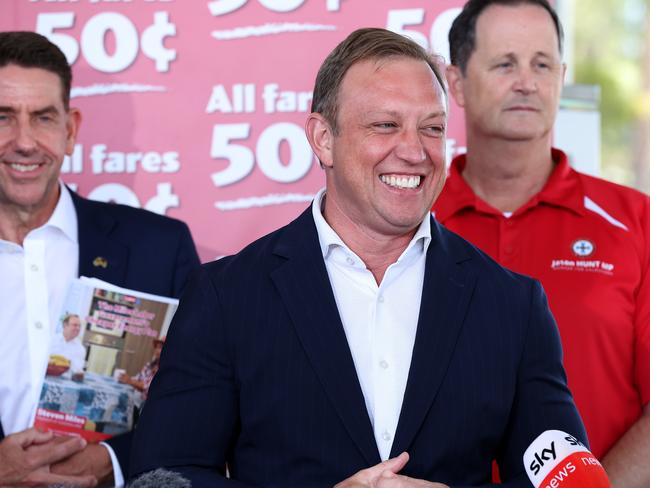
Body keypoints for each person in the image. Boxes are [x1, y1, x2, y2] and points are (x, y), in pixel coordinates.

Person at [130, 27, 586, 486]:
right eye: (385, 125)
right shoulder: (226, 296)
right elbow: (163, 476)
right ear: (323, 139)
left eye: (432, 128)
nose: (414, 151)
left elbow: (568, 483)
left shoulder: (512, 304)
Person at [434, 0, 650, 486]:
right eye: (505, 63)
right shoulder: (407, 225)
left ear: (561, 75)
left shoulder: (635, 221)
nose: (527, 82)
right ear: (456, 83)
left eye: (542, 64)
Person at [0, 31, 201, 487]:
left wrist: (108, 460)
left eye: (44, 118)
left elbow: (199, 403)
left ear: (70, 130)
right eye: (3, 117)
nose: (25, 142)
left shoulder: (158, 249)